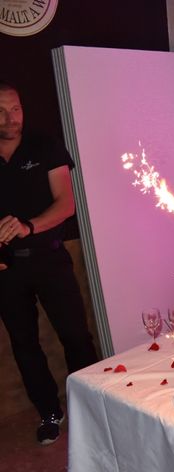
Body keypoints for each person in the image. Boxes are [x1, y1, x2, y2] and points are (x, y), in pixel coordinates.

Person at [0, 81, 98, 445]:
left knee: (76, 336)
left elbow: (65, 205)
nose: (11, 118)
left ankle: (92, 406)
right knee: (24, 344)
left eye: (16, 109)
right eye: (2, 110)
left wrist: (28, 226)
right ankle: (49, 413)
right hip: (7, 270)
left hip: (50, 258)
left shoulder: (45, 146)